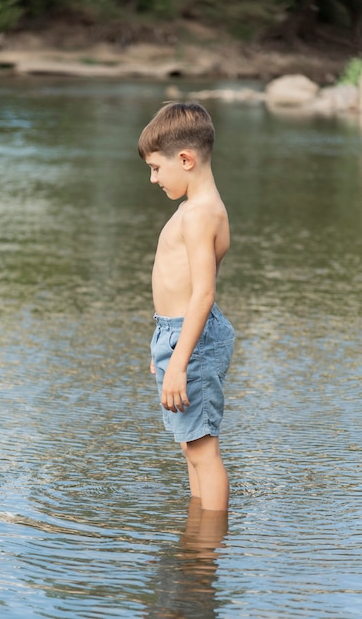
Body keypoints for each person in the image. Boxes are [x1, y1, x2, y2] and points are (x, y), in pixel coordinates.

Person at [138, 102, 235, 511]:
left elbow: (203, 294)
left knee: (201, 449)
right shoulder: (192, 209)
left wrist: (178, 361)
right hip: (176, 333)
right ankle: (198, 534)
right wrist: (160, 344)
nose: (153, 178)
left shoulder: (200, 215)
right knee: (190, 445)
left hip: (190, 339)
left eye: (157, 168)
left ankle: (206, 550)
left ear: (186, 159)